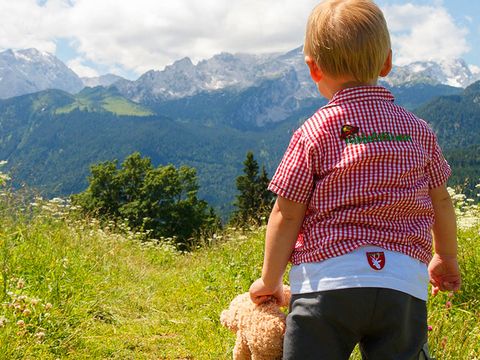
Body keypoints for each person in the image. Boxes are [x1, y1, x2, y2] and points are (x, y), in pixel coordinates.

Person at [248, 0, 462, 359]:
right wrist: (445, 256)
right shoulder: (418, 130)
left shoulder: (312, 133)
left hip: (326, 283)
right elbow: (441, 200)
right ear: (388, 62)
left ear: (313, 69)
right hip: (402, 283)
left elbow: (286, 215)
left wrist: (270, 281)